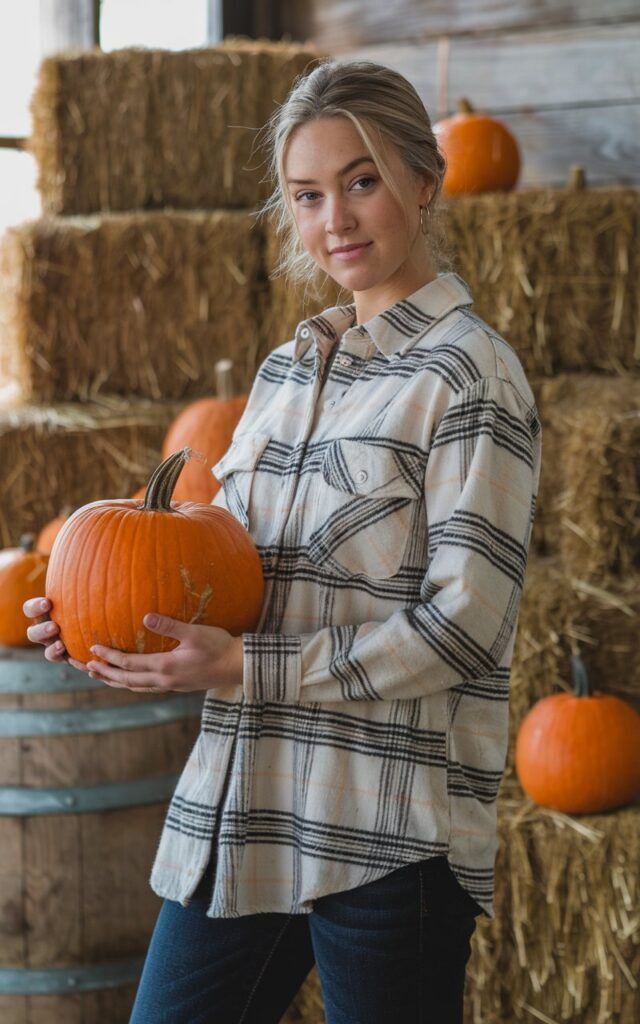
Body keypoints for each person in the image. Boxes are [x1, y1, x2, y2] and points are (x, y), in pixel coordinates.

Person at [25, 59, 541, 1024]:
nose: (335, 218)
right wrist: (119, 625)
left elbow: (465, 625)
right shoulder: (285, 371)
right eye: (308, 195)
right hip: (247, 809)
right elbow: (233, 575)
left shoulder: (473, 377)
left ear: (425, 182)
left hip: (386, 832)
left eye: (362, 180)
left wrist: (245, 666)